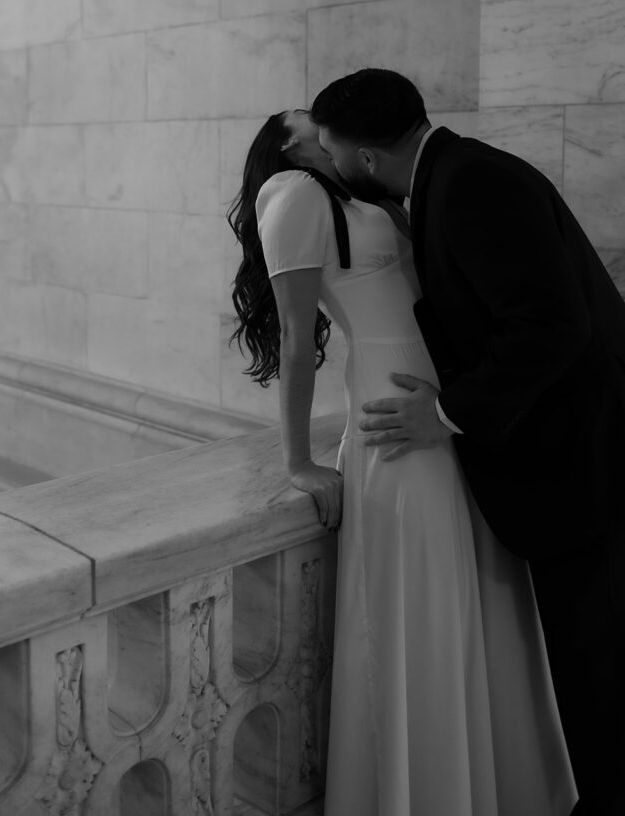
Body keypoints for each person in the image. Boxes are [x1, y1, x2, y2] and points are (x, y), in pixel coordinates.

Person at [229, 107, 577, 816]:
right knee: (423, 602)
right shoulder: (292, 193)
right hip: (393, 414)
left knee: (476, 590)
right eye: (306, 122)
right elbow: (296, 339)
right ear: (286, 146)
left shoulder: (360, 194)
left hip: (447, 412)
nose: (321, 124)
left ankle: (499, 790)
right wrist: (297, 462)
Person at [311, 68, 625, 816]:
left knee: (597, 666)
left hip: (582, 460)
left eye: (329, 149)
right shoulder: (458, 173)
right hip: (579, 453)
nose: (327, 163)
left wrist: (448, 413)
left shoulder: (470, 185)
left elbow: (552, 325)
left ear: (364, 156)